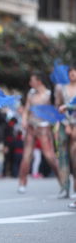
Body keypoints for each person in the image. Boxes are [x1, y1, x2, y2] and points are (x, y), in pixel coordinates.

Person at [18, 71, 60, 194]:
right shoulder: (31, 94)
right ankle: (22, 182)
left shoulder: (49, 95)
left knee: (50, 156)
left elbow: (54, 112)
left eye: (32, 80)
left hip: (44, 128)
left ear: (39, 82)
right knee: (26, 156)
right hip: (31, 127)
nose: (30, 83)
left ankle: (62, 181)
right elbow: (26, 109)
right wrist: (24, 120)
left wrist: (54, 126)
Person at [55, 65, 76, 199]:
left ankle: (75, 188)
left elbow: (66, 106)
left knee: (75, 155)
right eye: (70, 73)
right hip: (64, 124)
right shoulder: (61, 89)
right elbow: (58, 107)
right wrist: (63, 123)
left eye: (74, 73)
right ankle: (65, 187)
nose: (72, 75)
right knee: (63, 155)